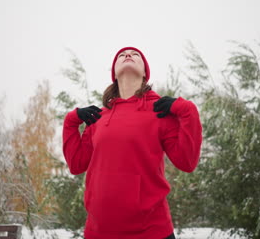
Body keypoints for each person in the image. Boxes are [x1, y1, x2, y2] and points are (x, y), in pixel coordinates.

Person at [63, 47, 202, 239]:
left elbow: (186, 162)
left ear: (145, 72)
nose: (128, 55)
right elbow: (76, 164)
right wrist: (71, 121)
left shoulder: (159, 111)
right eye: (121, 55)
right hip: (98, 232)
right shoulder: (99, 118)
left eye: (135, 55)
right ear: (114, 73)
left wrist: (186, 110)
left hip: (152, 232)